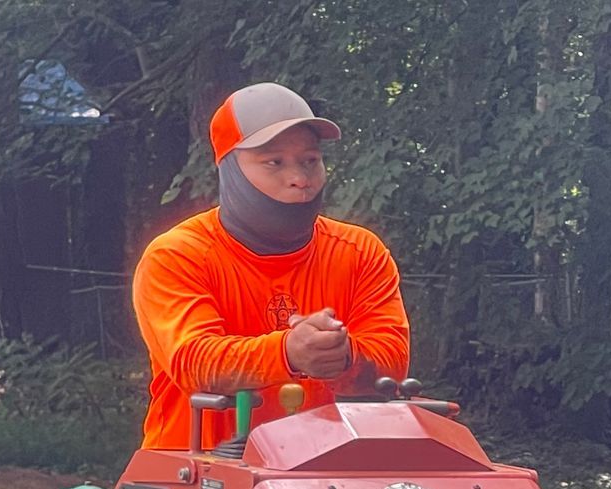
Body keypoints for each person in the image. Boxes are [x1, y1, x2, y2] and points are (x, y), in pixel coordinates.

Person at [132, 83, 410, 451]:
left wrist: (344, 357)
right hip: (192, 477)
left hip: (325, 481)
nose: (300, 178)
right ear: (229, 168)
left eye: (310, 160)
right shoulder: (177, 254)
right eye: (274, 162)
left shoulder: (360, 252)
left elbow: (392, 362)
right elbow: (195, 362)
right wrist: (289, 352)